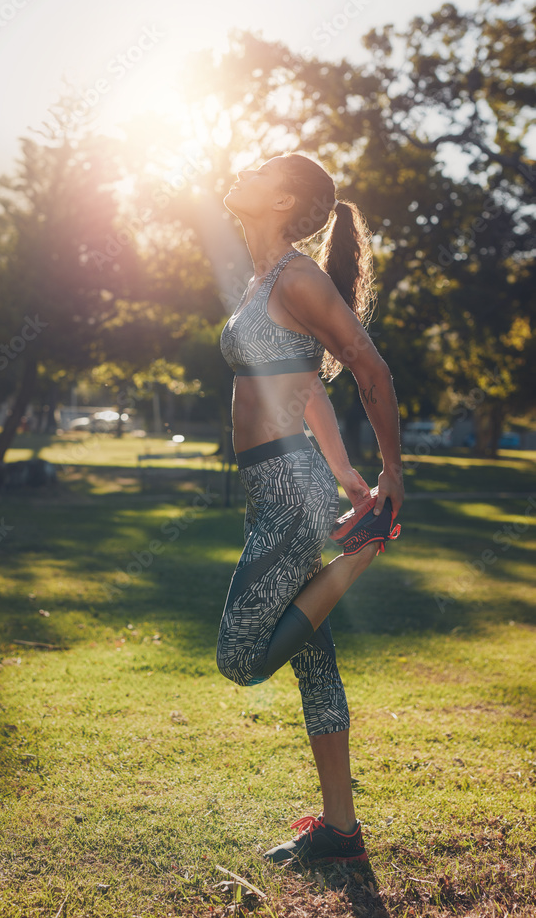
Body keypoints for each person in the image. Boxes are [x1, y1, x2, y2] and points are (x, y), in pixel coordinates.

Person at [216, 152, 404, 866]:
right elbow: (306, 386)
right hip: (280, 483)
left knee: (240, 657)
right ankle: (341, 831)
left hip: (291, 495)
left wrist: (389, 473)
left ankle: (360, 552)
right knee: (311, 657)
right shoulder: (265, 281)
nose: (244, 168)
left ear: (282, 199)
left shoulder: (297, 277)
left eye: (259, 167)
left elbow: (367, 364)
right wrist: (345, 469)